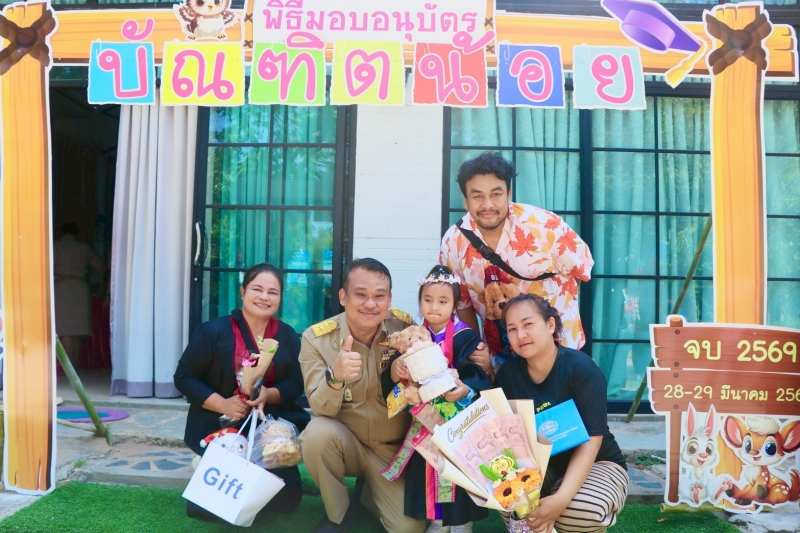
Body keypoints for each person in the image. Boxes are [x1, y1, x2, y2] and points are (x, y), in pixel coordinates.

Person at [174, 263, 310, 520]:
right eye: (257, 289)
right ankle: (210, 468)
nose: (264, 297)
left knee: (287, 500)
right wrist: (223, 404)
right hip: (220, 423)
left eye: (273, 292)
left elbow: (296, 382)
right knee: (208, 508)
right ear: (243, 291)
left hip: (267, 426)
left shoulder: (288, 336)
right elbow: (184, 377)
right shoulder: (213, 331)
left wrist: (268, 394)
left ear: (280, 298)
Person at [299, 258, 426, 533]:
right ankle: (339, 513)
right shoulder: (316, 339)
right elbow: (319, 407)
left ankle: (369, 492)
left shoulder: (404, 329)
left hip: (392, 451)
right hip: (347, 444)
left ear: (389, 299)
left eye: (379, 296)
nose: (370, 304)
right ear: (343, 297)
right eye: (360, 294)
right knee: (316, 434)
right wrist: (335, 377)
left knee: (410, 528)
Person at [439, 152, 594, 374]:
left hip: (559, 350)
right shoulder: (453, 242)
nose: (488, 205)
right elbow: (463, 306)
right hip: (501, 358)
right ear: (465, 200)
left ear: (509, 194)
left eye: (496, 194)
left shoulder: (545, 225)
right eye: (477, 196)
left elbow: (581, 270)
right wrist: (476, 356)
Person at [494, 294, 628, 533]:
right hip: (541, 466)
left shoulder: (581, 368)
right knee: (510, 495)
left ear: (550, 325)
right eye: (512, 329)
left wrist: (561, 498)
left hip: (597, 461)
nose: (520, 335)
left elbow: (593, 440)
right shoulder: (508, 374)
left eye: (528, 324)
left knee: (578, 511)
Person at [381, 264, 490, 533]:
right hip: (423, 419)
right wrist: (397, 369)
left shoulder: (465, 336)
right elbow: (391, 373)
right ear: (420, 302)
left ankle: (462, 523)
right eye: (428, 300)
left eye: (443, 301)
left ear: (455, 305)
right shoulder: (413, 336)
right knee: (428, 467)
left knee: (460, 468)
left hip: (458, 419)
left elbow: (476, 374)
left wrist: (465, 389)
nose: (434, 307)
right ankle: (437, 521)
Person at [53, 222, 104, 366]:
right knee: (78, 329)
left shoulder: (55, 247)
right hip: (80, 289)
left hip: (61, 288)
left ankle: (68, 367)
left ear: (61, 233)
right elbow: (99, 267)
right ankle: (74, 364)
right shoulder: (84, 248)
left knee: (65, 329)